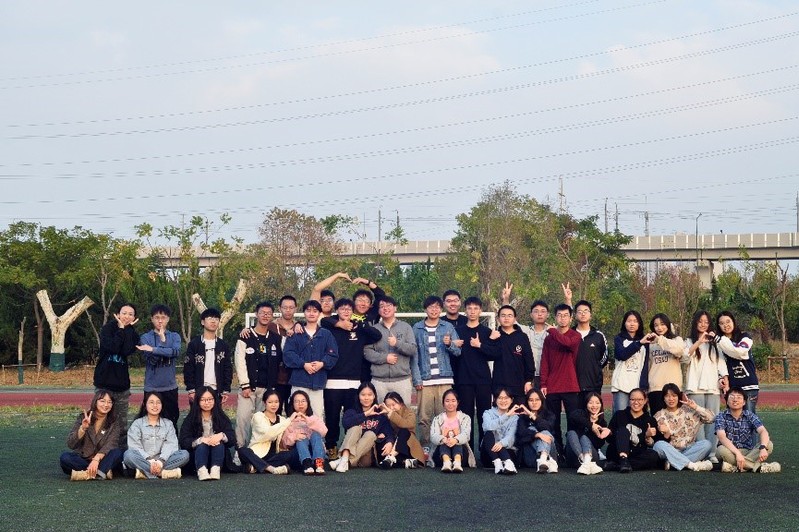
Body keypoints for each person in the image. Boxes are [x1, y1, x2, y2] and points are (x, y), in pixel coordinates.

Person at [321, 297, 381, 459]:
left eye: (349, 309)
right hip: (332, 381)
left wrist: (361, 324)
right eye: (342, 308)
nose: (346, 311)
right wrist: (338, 324)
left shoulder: (359, 328)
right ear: (337, 311)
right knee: (332, 417)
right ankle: (331, 447)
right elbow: (323, 321)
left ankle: (348, 447)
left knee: (351, 418)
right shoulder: (330, 327)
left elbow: (376, 335)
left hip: (354, 382)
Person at [412, 295, 461, 456]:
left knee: (444, 416)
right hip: (425, 380)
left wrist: (449, 344)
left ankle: (443, 446)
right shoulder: (417, 328)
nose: (434, 310)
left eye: (437, 307)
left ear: (441, 309)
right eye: (430, 307)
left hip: (445, 379)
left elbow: (457, 351)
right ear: (425, 309)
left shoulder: (448, 327)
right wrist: (417, 379)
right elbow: (414, 357)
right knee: (424, 417)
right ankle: (425, 446)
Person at [234, 301, 282, 453]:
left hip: (267, 390)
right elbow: (239, 362)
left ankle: (257, 453)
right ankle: (240, 452)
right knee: (243, 420)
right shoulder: (245, 336)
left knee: (262, 424)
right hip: (248, 389)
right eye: (262, 313)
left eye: (269, 313)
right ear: (256, 314)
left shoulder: (276, 339)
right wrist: (245, 385)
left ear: (272, 316)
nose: (265, 316)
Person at [452, 296, 494, 457]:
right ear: (465, 311)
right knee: (466, 418)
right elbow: (452, 354)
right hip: (464, 380)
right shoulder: (458, 331)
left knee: (484, 416)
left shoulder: (487, 332)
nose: (472, 311)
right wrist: (452, 344)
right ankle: (466, 453)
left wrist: (480, 345)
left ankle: (485, 452)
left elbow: (494, 354)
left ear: (480, 311)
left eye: (476, 308)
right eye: (469, 308)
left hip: (483, 380)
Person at [283, 300, 339, 420]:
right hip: (299, 381)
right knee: (296, 415)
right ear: (304, 313)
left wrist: (322, 363)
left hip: (318, 382)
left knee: (317, 416)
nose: (311, 313)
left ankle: (316, 434)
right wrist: (303, 364)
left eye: (315, 311)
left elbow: (333, 355)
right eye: (308, 310)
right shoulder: (295, 333)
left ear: (319, 313)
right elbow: (288, 354)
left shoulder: (326, 334)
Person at [93, 303, 139, 449]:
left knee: (121, 424)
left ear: (134, 318)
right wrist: (120, 329)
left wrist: (127, 330)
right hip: (104, 383)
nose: (127, 316)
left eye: (130, 314)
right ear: (118, 314)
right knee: (100, 420)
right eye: (124, 313)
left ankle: (120, 454)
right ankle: (96, 452)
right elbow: (112, 347)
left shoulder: (133, 334)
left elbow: (126, 350)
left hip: (121, 386)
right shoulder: (107, 329)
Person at [540, 303, 582, 459]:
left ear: (571, 318)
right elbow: (544, 362)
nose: (562, 318)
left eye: (565, 315)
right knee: (553, 421)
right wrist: (543, 383)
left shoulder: (575, 336)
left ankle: (573, 451)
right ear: (555, 317)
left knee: (573, 420)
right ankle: (557, 451)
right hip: (553, 386)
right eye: (559, 315)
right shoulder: (549, 339)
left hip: (570, 385)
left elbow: (567, 343)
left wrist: (552, 331)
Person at [683, 310, 728, 452]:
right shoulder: (688, 341)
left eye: (706, 322)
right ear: (695, 322)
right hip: (694, 387)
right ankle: (701, 452)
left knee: (713, 420)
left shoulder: (715, 342)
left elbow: (721, 364)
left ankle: (712, 453)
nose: (703, 324)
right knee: (697, 421)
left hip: (712, 387)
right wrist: (699, 342)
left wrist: (724, 378)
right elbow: (685, 358)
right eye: (700, 321)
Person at [364, 296, 417, 406]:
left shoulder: (406, 327)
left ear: (395, 308)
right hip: (379, 381)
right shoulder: (374, 329)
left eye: (389, 305)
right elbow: (367, 352)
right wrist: (385, 358)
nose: (385, 308)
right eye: (382, 306)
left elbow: (412, 349)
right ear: (379, 310)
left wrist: (397, 343)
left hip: (402, 380)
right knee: (380, 413)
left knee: (403, 413)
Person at [59, 389, 123, 480]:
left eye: (109, 402)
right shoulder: (83, 417)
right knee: (65, 458)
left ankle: (86, 474)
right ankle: (100, 472)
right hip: (83, 460)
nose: (106, 405)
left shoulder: (114, 421)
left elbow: (111, 444)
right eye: (102, 401)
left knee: (117, 453)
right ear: (95, 402)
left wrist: (96, 459)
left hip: (103, 460)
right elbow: (71, 444)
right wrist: (82, 429)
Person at [123, 391, 189, 479]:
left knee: (184, 455)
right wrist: (149, 460)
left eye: (158, 402)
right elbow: (135, 446)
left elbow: (171, 445)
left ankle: (144, 472)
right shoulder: (137, 424)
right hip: (143, 459)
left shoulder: (168, 424)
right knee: (128, 455)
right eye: (151, 402)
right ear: (145, 405)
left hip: (163, 461)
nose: (155, 405)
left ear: (162, 405)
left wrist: (160, 461)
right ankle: (162, 473)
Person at [331, 382, 395, 472]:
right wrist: (366, 414)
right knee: (356, 428)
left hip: (365, 456)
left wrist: (390, 442)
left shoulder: (379, 414)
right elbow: (346, 423)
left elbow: (389, 431)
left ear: (374, 396)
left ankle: (342, 460)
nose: (366, 398)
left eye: (369, 395)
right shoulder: (352, 411)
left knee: (371, 434)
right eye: (363, 395)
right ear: (358, 396)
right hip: (351, 446)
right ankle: (345, 460)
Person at [651, 383, 714, 471]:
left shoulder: (689, 410)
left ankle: (673, 463)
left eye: (674, 396)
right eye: (667, 396)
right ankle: (691, 465)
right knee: (658, 445)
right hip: (670, 451)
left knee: (707, 444)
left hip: (690, 449)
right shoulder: (658, 416)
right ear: (663, 398)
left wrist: (696, 407)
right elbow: (654, 442)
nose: (671, 399)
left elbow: (712, 419)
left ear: (679, 396)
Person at [137, 304, 182, 429]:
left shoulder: (174, 336)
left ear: (168, 319)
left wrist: (153, 349)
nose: (160, 321)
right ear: (152, 319)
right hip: (152, 387)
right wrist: (162, 343)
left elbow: (175, 352)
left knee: (172, 422)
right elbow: (152, 360)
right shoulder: (145, 337)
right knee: (150, 422)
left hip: (170, 387)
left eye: (163, 317)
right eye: (157, 317)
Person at [715, 387, 779, 473]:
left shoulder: (749, 415)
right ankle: (757, 468)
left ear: (744, 402)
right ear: (727, 401)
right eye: (732, 397)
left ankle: (734, 467)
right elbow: (722, 437)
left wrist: (763, 447)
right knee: (721, 450)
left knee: (769, 444)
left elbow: (763, 431)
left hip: (747, 452)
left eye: (739, 397)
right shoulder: (721, 416)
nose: (735, 400)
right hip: (729, 451)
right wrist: (737, 453)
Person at [179, 387, 236, 480]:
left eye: (210, 399)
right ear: (198, 401)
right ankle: (202, 471)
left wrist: (221, 435)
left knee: (218, 443)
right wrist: (200, 440)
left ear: (215, 400)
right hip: (198, 456)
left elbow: (232, 438)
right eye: (203, 400)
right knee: (202, 445)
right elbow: (184, 441)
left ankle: (215, 470)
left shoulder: (221, 417)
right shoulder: (191, 419)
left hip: (219, 455)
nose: (207, 403)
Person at [183, 308, 232, 405]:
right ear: (202, 322)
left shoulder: (223, 345)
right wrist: (191, 389)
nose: (213, 321)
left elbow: (227, 368)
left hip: (217, 390)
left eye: (216, 319)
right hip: (198, 389)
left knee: (216, 414)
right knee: (197, 415)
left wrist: (226, 389)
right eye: (210, 318)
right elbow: (188, 368)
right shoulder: (194, 344)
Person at [605, 388, 661, 473]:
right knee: (623, 430)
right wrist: (610, 433)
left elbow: (654, 444)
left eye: (640, 399)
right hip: (617, 452)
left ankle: (618, 466)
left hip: (636, 453)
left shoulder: (650, 420)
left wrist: (647, 436)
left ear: (645, 401)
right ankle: (623, 460)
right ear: (629, 400)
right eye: (633, 399)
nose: (636, 402)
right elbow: (609, 440)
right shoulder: (619, 415)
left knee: (653, 456)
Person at [238, 389, 293, 475]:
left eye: (276, 402)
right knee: (243, 450)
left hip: (273, 456)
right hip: (256, 454)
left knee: (289, 454)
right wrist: (289, 420)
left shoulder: (282, 420)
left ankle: (256, 467)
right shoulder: (258, 416)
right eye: (270, 402)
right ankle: (271, 469)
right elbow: (268, 433)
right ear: (264, 403)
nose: (273, 405)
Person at [715, 311, 759, 413]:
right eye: (722, 323)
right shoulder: (718, 343)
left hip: (748, 386)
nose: (725, 325)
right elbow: (720, 364)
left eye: (728, 321)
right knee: (733, 419)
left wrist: (720, 340)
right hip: (732, 388)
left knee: (749, 418)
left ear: (733, 322)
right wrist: (722, 379)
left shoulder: (745, 337)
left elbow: (740, 352)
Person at [490, 305, 534, 404]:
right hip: (499, 385)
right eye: (503, 315)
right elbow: (488, 355)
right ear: (498, 319)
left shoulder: (522, 337)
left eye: (509, 315)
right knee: (500, 412)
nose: (506, 318)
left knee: (519, 412)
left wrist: (528, 380)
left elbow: (529, 360)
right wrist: (491, 340)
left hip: (519, 385)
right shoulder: (494, 335)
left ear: (515, 319)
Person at [611, 310, 651, 413]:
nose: (632, 324)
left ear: (639, 324)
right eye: (629, 321)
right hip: (621, 386)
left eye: (635, 321)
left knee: (638, 416)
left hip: (637, 387)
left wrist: (644, 386)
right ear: (624, 323)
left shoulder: (646, 342)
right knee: (620, 416)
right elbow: (622, 355)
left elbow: (645, 365)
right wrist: (639, 343)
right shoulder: (619, 339)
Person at [280, 390, 329, 475]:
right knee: (301, 438)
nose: (300, 404)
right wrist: (295, 436)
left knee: (316, 434)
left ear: (308, 403)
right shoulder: (289, 421)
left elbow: (324, 431)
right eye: (297, 401)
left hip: (316, 451)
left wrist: (308, 421)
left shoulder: (314, 418)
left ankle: (319, 463)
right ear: (292, 404)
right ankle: (307, 464)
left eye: (303, 401)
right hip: (299, 454)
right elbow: (284, 443)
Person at [646, 313, 686, 415]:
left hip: (674, 387)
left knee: (675, 419)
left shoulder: (677, 340)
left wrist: (660, 340)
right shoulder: (650, 344)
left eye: (662, 324)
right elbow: (648, 365)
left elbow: (679, 351)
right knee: (657, 419)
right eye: (656, 325)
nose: (659, 328)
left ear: (668, 324)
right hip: (656, 388)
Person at [430, 389, 475, 473]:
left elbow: (466, 435)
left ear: (458, 402)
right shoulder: (437, 419)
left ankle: (457, 463)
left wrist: (455, 439)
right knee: (444, 441)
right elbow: (433, 436)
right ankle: (446, 462)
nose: (450, 404)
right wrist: (443, 439)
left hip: (462, 456)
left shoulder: (465, 418)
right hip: (440, 457)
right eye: (447, 401)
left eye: (453, 401)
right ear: (443, 403)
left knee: (457, 442)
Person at [572, 300, 608, 403]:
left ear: (590, 315)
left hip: (593, 385)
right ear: (575, 315)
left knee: (593, 411)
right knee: (575, 413)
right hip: (573, 385)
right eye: (579, 311)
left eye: (586, 311)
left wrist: (594, 367)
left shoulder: (598, 335)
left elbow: (604, 358)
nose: (583, 314)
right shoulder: (570, 334)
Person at [566, 392, 610, 475]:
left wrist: (597, 432)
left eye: (597, 403)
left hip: (591, 456)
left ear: (601, 405)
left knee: (585, 438)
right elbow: (572, 417)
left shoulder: (602, 422)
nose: (594, 405)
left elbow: (598, 445)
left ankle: (586, 462)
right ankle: (585, 462)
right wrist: (590, 424)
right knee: (571, 433)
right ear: (586, 404)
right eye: (591, 403)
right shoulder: (579, 414)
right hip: (575, 456)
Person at [515, 389, 558, 473]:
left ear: (542, 400)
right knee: (532, 429)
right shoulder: (522, 417)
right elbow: (520, 435)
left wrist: (533, 416)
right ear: (527, 402)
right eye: (531, 400)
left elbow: (548, 428)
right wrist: (537, 435)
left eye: (537, 400)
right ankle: (543, 460)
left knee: (545, 432)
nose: (534, 402)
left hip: (551, 454)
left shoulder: (549, 415)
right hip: (531, 458)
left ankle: (543, 459)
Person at [481, 388, 520, 475]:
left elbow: (511, 437)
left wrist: (501, 443)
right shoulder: (487, 413)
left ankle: (507, 463)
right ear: (495, 399)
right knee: (489, 433)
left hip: (508, 452)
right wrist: (507, 415)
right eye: (500, 398)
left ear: (511, 400)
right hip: (489, 455)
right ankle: (498, 463)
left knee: (503, 446)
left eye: (506, 398)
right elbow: (488, 427)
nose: (503, 401)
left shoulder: (515, 418)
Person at [382, 391, 426, 468]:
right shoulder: (385, 415)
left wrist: (392, 415)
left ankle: (390, 456)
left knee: (403, 431)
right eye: (388, 406)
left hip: (407, 444)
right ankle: (406, 462)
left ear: (401, 404)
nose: (391, 408)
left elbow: (407, 424)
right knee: (383, 444)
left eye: (393, 405)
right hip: (392, 444)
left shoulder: (409, 413)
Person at [273, 295, 300, 413]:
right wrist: (246, 330)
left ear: (296, 308)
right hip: (275, 378)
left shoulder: (300, 328)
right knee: (275, 413)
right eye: (285, 307)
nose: (288, 310)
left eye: (291, 307)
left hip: (294, 378)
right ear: (279, 308)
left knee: (293, 413)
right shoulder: (271, 326)